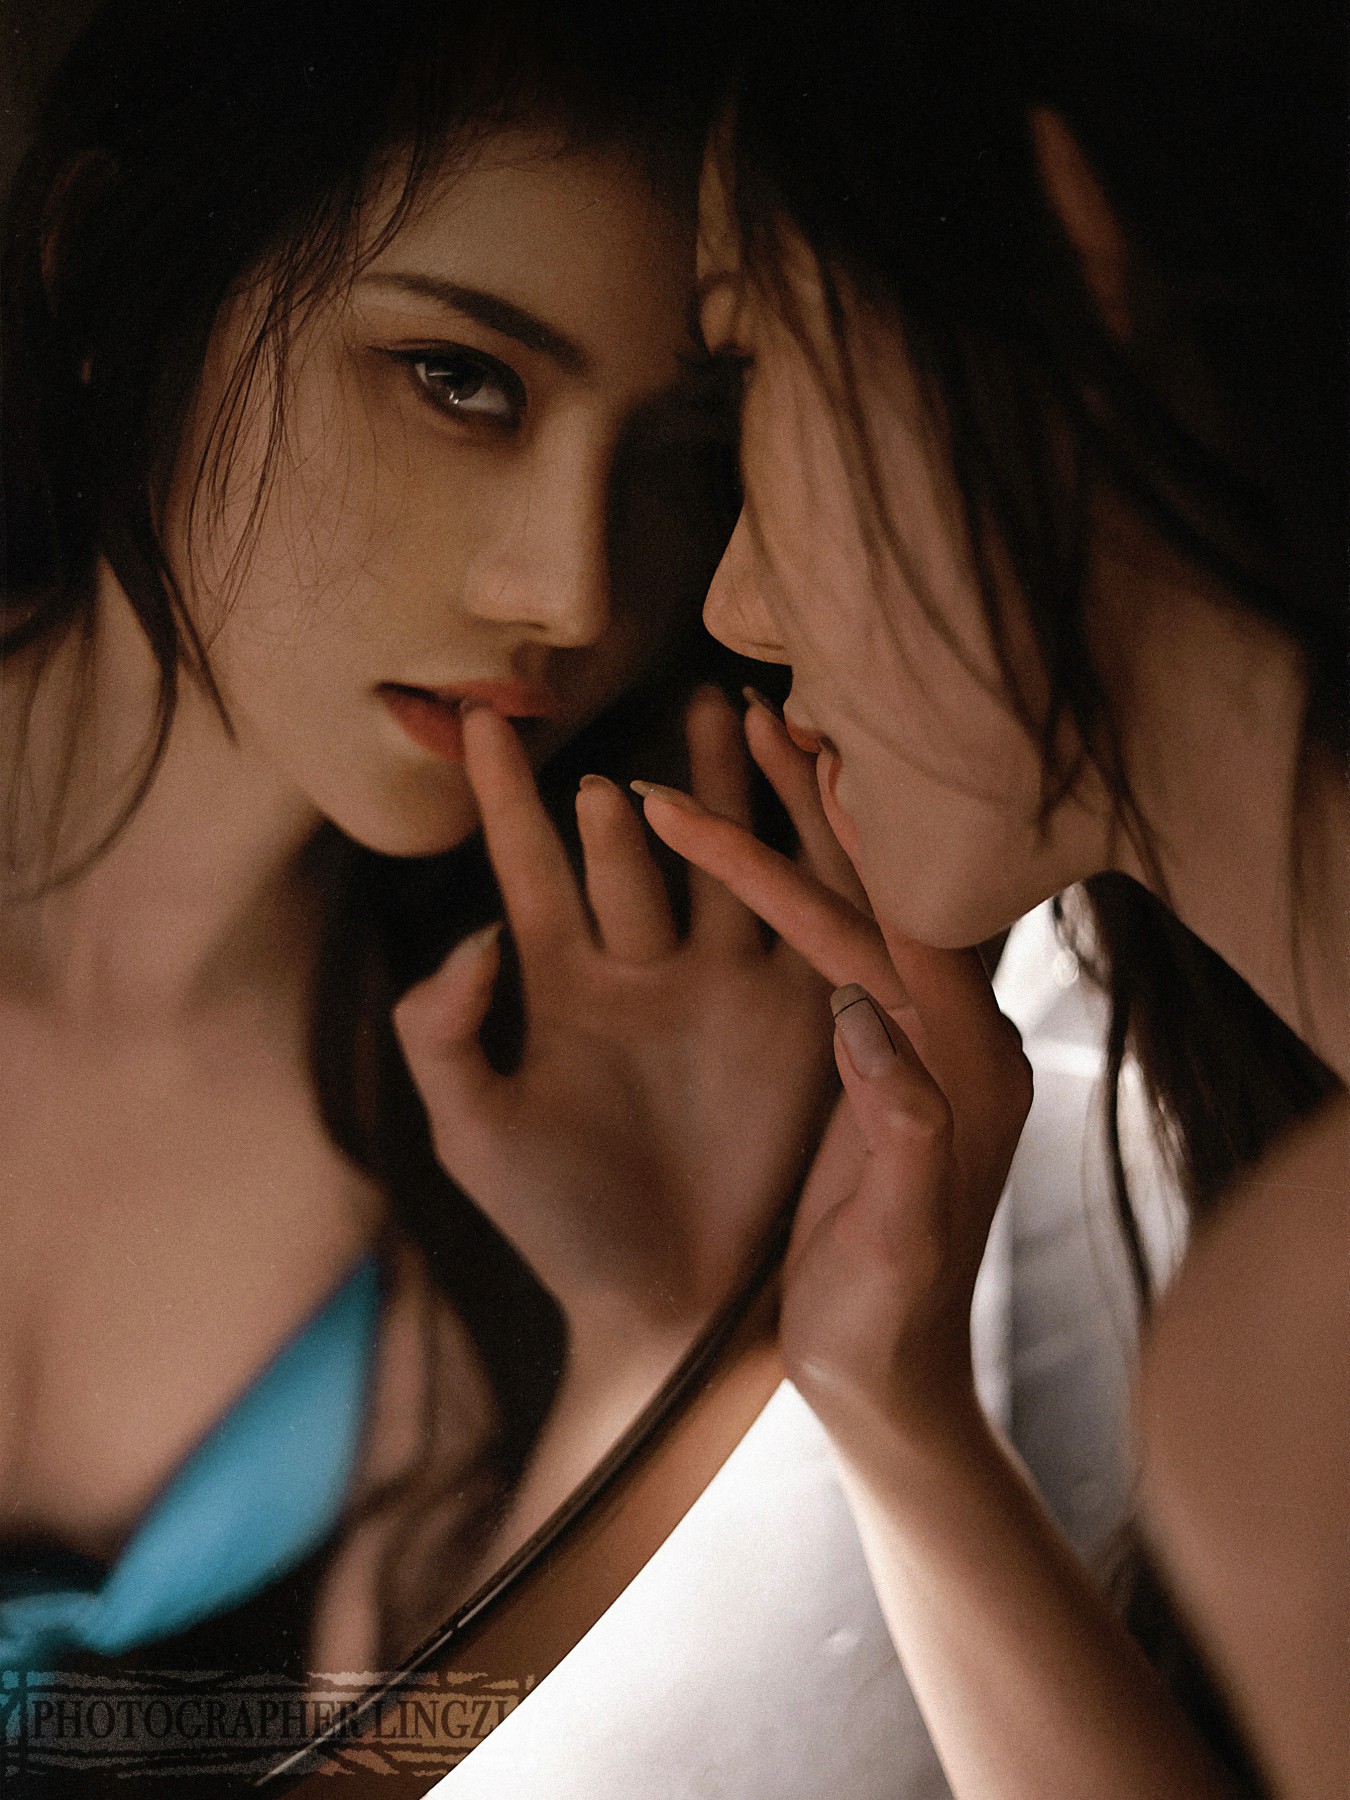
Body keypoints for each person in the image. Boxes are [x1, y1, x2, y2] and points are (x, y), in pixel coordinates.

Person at [0, 0, 838, 1738]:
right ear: (113, 270)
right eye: (460, 379)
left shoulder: (508, 1094)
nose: (571, 591)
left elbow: (409, 1771)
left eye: (682, 458)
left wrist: (650, 1332)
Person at [620, 3, 1345, 1796]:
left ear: (1070, 248)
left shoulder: (1299, 1327)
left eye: (748, 365)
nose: (727, 603)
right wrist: (890, 1398)